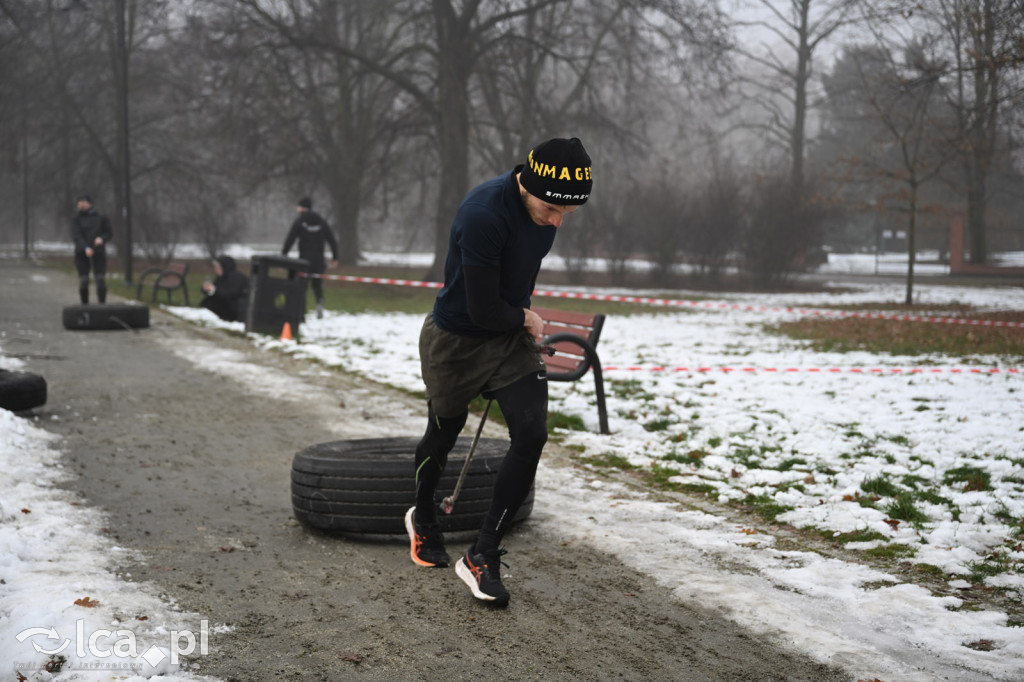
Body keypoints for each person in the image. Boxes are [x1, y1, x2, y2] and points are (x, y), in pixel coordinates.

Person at [405, 137, 593, 607]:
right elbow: (483, 307)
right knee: (443, 435)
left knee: (531, 434)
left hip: (507, 339)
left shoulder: (547, 213)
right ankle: (423, 516)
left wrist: (520, 318)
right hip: (456, 342)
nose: (556, 221)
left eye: (567, 214)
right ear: (526, 185)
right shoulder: (483, 214)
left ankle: (482, 554)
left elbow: (517, 281)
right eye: (551, 208)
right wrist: (525, 317)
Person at [281, 197, 339, 319]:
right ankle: (319, 303)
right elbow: (332, 240)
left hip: (304, 260)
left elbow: (290, 239)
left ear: (302, 207)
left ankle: (301, 311)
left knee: (302, 285)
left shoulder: (300, 221)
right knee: (317, 285)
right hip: (318, 260)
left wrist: (283, 256)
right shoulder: (321, 221)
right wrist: (335, 257)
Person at [71, 194, 113, 304]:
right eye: (79, 203)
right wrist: (85, 248)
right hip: (82, 252)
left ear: (88, 203)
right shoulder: (76, 218)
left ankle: (102, 304)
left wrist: (101, 239)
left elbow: (108, 232)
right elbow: (76, 235)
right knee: (84, 280)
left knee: (100, 279)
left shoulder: (101, 217)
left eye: (83, 202)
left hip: (98, 252)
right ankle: (85, 306)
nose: (81, 205)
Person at [200, 256, 250, 323]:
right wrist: (206, 288)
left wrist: (214, 290)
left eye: (218, 267)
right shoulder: (222, 277)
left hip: (236, 307)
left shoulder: (236, 277)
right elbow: (215, 290)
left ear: (225, 267)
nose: (216, 269)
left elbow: (231, 294)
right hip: (226, 304)